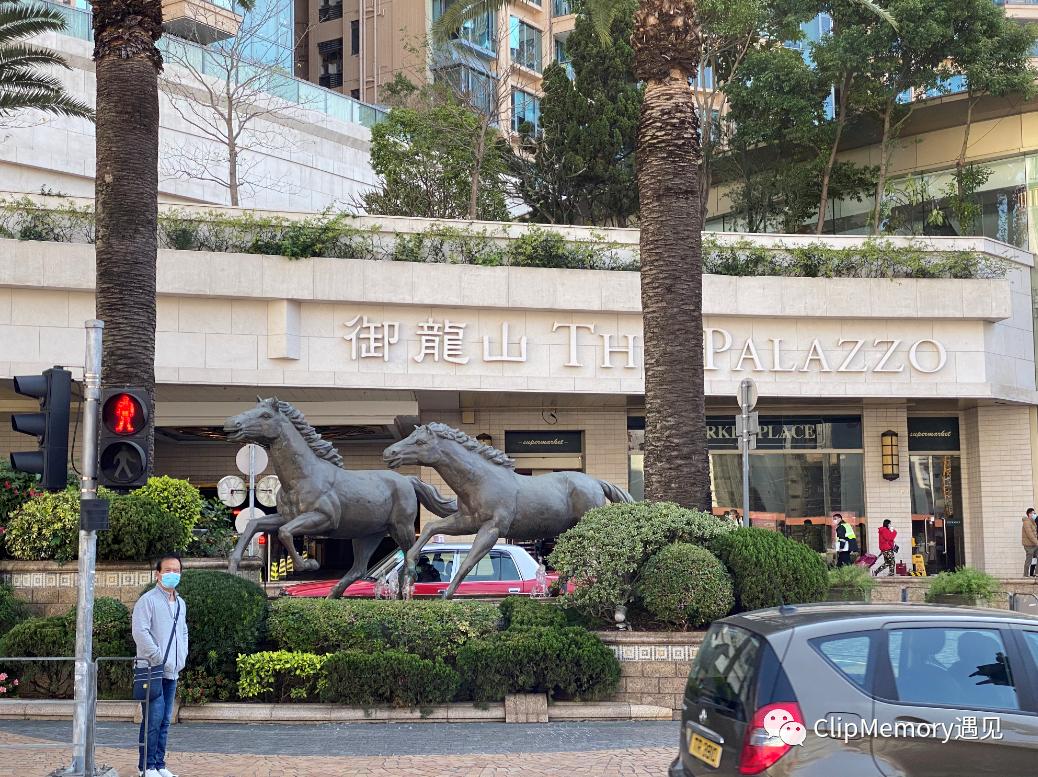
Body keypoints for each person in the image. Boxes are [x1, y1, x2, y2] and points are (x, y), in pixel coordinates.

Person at [132, 554, 188, 777]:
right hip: (152, 670)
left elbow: (183, 631)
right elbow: (140, 631)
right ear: (158, 574)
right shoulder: (148, 600)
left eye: (176, 571)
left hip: (172, 671)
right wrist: (157, 656)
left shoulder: (180, 603)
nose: (172, 574)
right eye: (168, 570)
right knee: (152, 721)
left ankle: (159, 764)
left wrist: (182, 655)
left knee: (165, 720)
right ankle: (145, 767)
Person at [1022, 508, 1038, 577]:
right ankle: (1025, 575)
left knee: (1035, 559)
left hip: (1034, 544)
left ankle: (1035, 573)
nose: (1034, 514)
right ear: (1029, 514)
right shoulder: (1026, 522)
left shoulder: (1033, 521)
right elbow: (1030, 535)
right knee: (1029, 560)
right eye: (1033, 513)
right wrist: (1037, 542)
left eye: (1035, 513)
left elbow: (1035, 533)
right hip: (1029, 545)